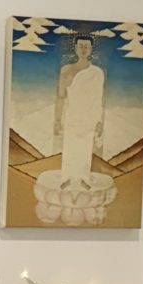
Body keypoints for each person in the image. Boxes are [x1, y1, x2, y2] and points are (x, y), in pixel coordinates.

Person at [53, 34, 105, 183]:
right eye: (80, 46)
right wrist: (57, 120)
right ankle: (67, 179)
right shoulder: (66, 70)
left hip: (89, 118)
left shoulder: (97, 73)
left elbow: (99, 99)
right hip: (71, 117)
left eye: (86, 47)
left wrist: (99, 121)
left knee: (85, 149)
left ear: (91, 49)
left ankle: (83, 179)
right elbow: (61, 97)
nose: (83, 49)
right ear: (75, 48)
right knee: (70, 148)